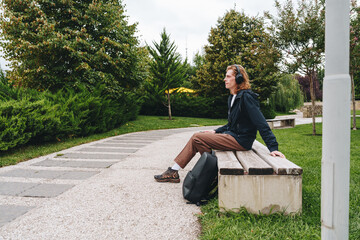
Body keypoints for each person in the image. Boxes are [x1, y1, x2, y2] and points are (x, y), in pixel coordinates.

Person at [154, 64, 285, 183]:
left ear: (238, 79)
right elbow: (231, 124)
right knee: (199, 139)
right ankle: (211, 172)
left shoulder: (246, 97)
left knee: (196, 137)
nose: (225, 79)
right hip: (233, 136)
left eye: (228, 77)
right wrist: (216, 131)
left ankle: (175, 171)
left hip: (241, 140)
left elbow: (261, 123)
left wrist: (273, 148)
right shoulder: (233, 97)